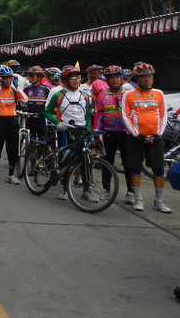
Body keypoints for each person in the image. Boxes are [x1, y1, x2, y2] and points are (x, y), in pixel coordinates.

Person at [121, 62, 171, 213]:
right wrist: (136, 134)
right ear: (136, 79)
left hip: (155, 137)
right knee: (135, 168)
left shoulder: (159, 93)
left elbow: (163, 115)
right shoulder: (128, 94)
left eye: (149, 76)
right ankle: (138, 199)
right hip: (136, 138)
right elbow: (125, 115)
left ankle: (159, 201)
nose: (147, 79)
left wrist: (158, 134)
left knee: (159, 169)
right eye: (143, 77)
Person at [44, 66, 92, 201]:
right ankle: (65, 189)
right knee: (66, 160)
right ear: (65, 81)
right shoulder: (58, 95)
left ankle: (86, 190)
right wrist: (57, 122)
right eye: (72, 78)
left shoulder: (86, 96)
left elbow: (87, 116)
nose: (76, 80)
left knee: (85, 160)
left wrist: (90, 133)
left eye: (78, 77)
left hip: (81, 131)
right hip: (65, 131)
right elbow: (46, 112)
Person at [93, 65, 134, 202]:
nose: (115, 80)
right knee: (107, 162)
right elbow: (99, 115)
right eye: (111, 78)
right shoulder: (102, 96)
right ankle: (106, 190)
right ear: (107, 80)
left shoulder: (129, 93)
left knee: (128, 163)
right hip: (108, 133)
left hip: (126, 134)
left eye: (117, 77)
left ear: (122, 78)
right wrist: (96, 134)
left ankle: (131, 192)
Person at [0, 66, 28, 185]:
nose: (8, 80)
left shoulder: (14, 90)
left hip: (12, 121)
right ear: (0, 79)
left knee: (13, 149)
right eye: (5, 78)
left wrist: (17, 87)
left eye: (10, 78)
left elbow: (25, 100)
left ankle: (10, 175)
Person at [22, 66, 50, 139]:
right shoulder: (26, 89)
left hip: (42, 119)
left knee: (43, 139)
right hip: (30, 118)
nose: (29, 78)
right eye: (29, 76)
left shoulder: (46, 90)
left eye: (32, 76)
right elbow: (22, 103)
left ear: (39, 77)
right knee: (30, 140)